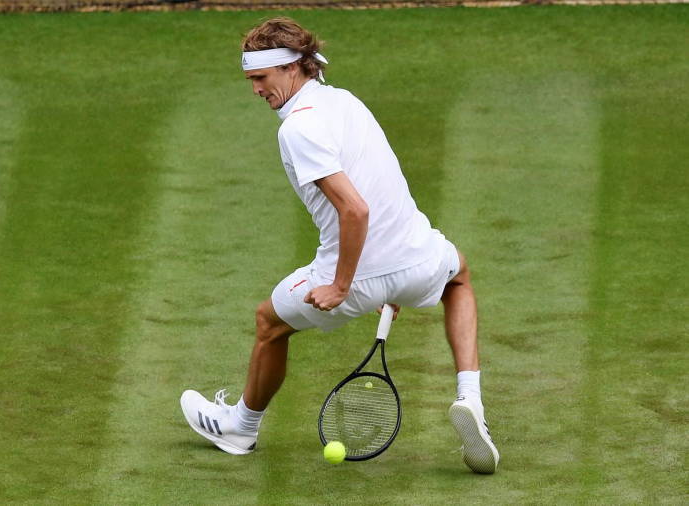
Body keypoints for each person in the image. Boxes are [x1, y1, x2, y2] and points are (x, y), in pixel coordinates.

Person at [180, 17, 499, 474]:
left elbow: (356, 209)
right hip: (419, 258)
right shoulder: (345, 101)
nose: (254, 90)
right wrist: (391, 279)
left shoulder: (297, 128)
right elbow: (380, 187)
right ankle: (472, 401)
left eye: (259, 79)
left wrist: (342, 286)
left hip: (355, 274)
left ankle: (240, 428)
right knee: (459, 276)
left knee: (269, 323)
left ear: (292, 68)